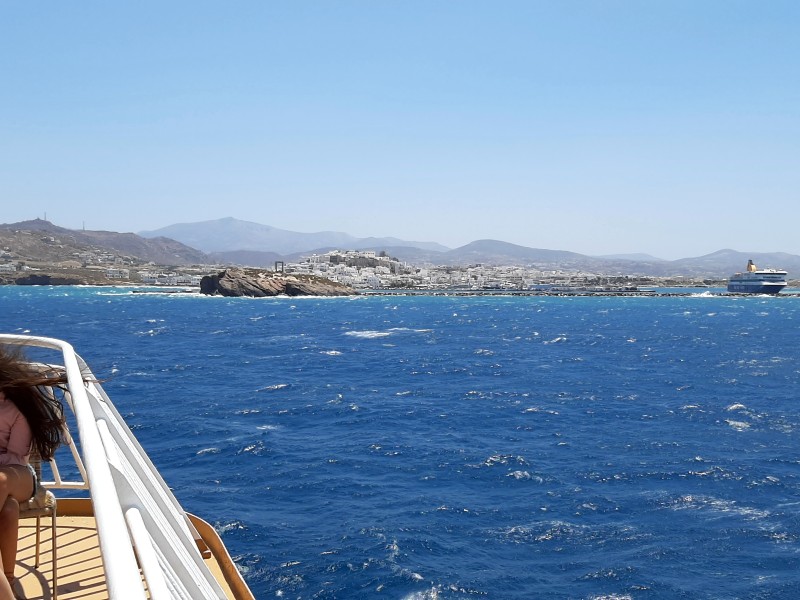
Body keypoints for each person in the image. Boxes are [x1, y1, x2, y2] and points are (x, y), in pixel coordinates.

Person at [0, 345, 66, 599]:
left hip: (17, 476)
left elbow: (17, 456)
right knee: (7, 510)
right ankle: (8, 578)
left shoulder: (16, 410)